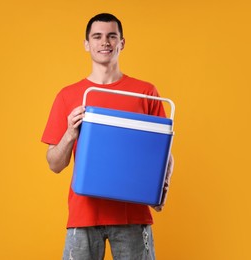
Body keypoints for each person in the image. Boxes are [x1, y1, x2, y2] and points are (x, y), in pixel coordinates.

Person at [41, 13, 174, 260]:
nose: (105, 42)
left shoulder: (146, 92)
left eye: (112, 36)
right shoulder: (68, 95)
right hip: (84, 215)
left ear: (122, 43)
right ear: (87, 44)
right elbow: (54, 164)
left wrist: (161, 191)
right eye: (98, 36)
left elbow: (164, 154)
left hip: (132, 215)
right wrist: (71, 133)